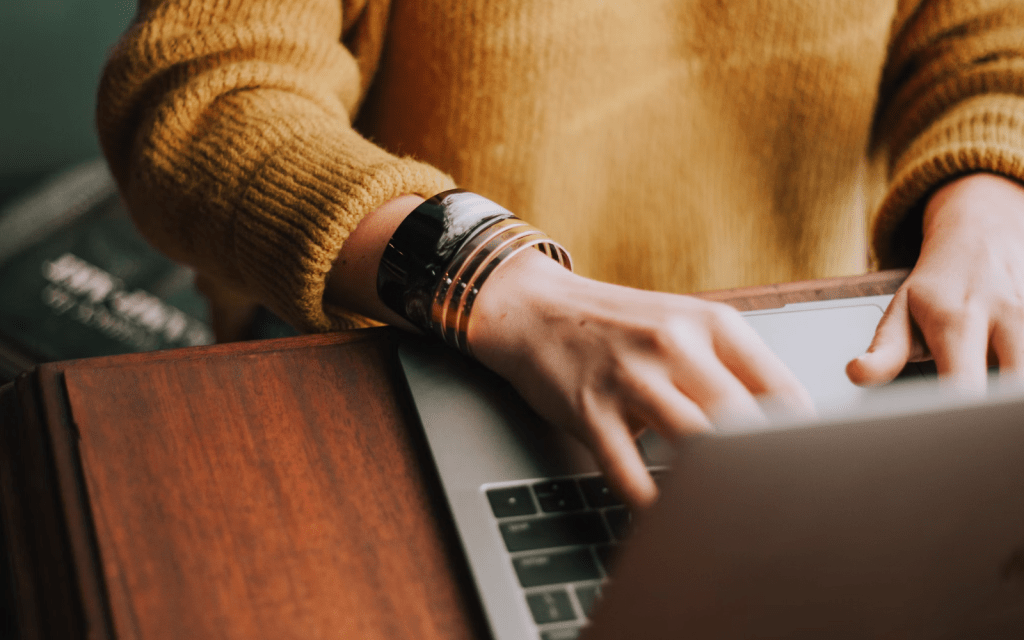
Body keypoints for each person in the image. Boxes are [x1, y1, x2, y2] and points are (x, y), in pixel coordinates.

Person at [97, 0, 1024, 509]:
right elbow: (205, 96)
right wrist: (495, 281)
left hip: (817, 373)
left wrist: (987, 201)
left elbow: (988, 32)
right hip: (425, 355)